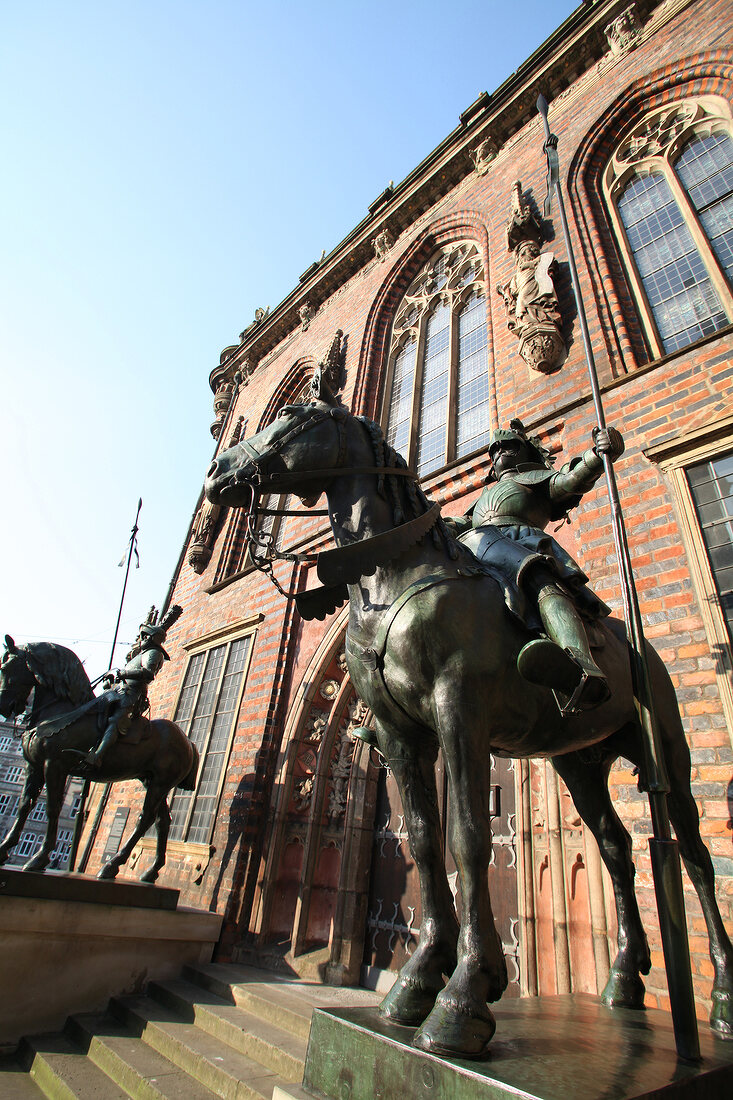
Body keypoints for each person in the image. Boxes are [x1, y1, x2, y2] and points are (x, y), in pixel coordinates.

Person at [449, 421, 624, 714]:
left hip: (518, 541)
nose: (499, 453)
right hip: (476, 546)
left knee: (538, 577)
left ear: (524, 452)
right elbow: (465, 523)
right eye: (494, 450)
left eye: (507, 447)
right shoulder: (484, 497)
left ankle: (579, 663)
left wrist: (596, 456)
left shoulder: (535, 478)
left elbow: (569, 481)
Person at [83, 605, 182, 767]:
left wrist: (124, 674)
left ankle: (97, 756)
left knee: (116, 720)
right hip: (121, 691)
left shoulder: (153, 653)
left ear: (151, 639)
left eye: (145, 637)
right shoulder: (141, 654)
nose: (142, 640)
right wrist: (113, 679)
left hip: (132, 695)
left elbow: (148, 674)